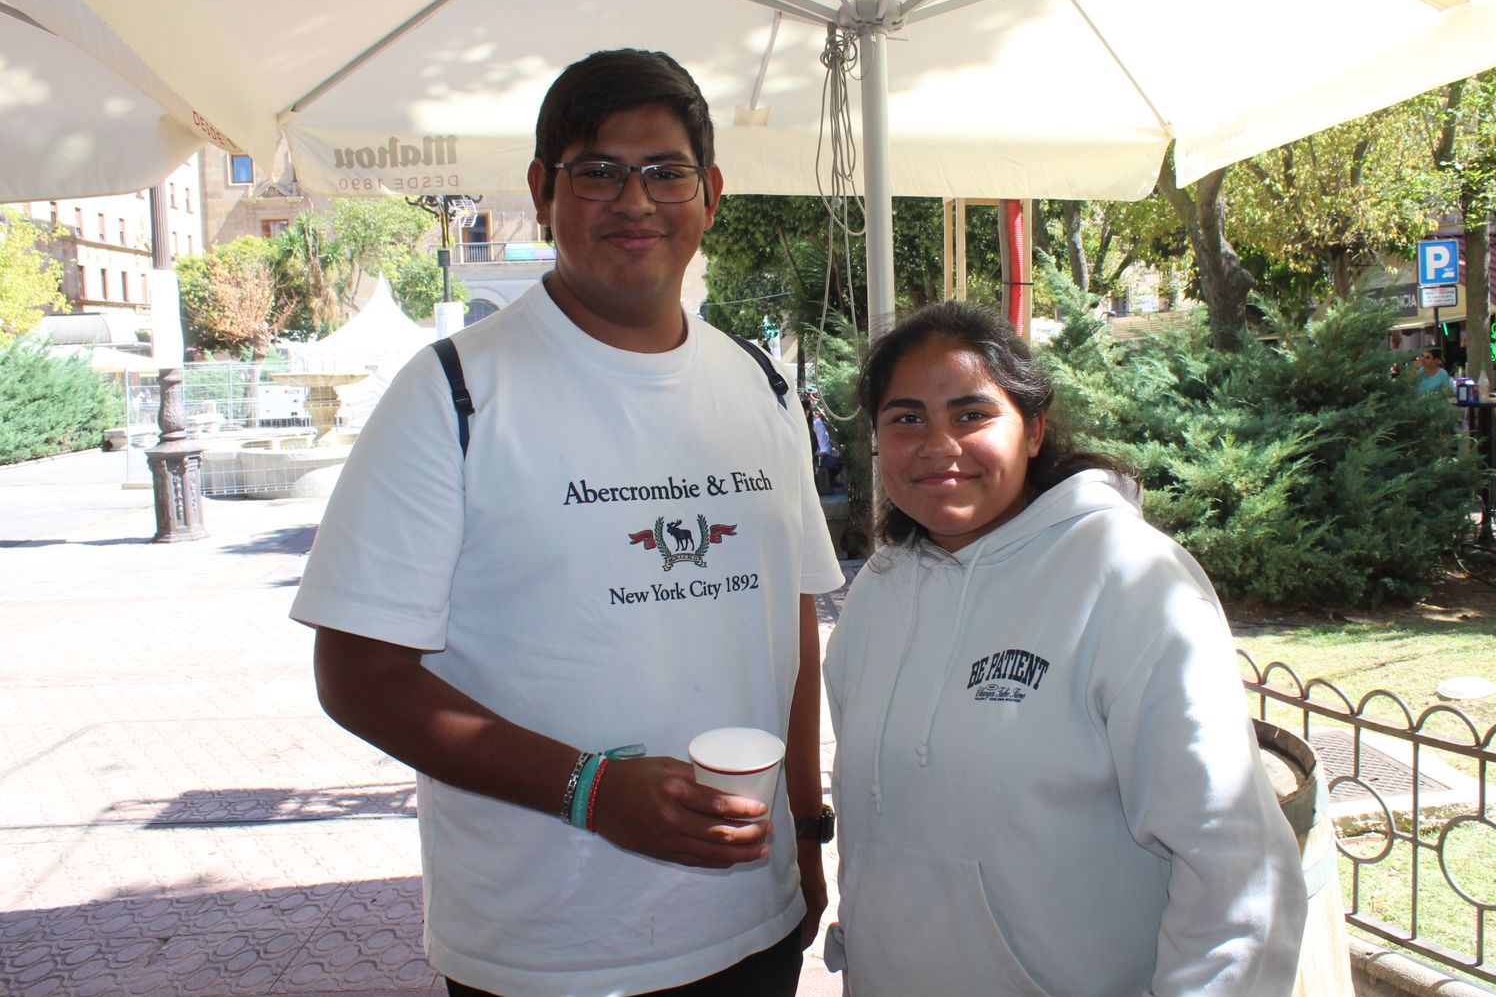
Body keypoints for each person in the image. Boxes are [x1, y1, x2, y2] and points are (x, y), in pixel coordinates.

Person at [292, 49, 845, 997]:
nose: (635, 200)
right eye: (598, 171)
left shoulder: (761, 385)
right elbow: (357, 675)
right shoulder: (452, 393)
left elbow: (789, 617)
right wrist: (589, 790)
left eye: (665, 171)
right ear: (543, 193)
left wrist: (803, 824)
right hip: (548, 950)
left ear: (710, 194)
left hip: (753, 920)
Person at [821, 302, 1305, 997]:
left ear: (1034, 429)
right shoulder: (878, 592)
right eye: (906, 419)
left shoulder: (1129, 579)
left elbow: (1234, 866)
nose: (937, 445)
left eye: (971, 414)